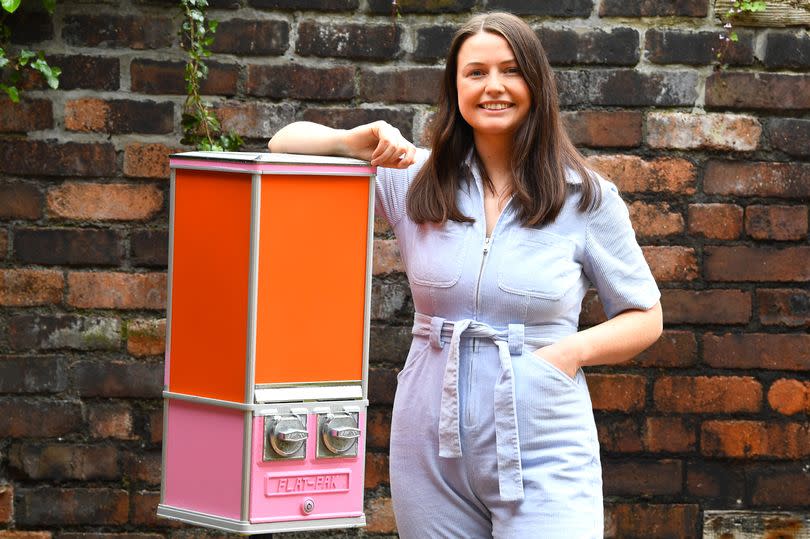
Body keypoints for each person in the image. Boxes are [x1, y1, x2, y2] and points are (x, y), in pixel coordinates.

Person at [268, 11, 662, 539]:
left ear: (536, 84)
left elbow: (644, 317)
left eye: (510, 70)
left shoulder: (585, 197)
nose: (493, 86)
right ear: (455, 87)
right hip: (429, 440)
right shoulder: (413, 178)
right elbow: (283, 144)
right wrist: (352, 140)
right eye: (476, 72)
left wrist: (564, 354)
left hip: (543, 438)